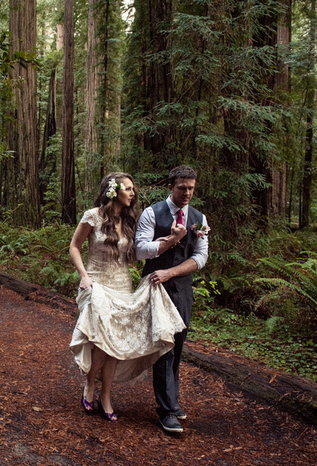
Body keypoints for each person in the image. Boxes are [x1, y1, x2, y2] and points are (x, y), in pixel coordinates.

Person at [69, 172, 186, 422]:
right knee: (101, 337)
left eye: (133, 189)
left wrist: (169, 241)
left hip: (122, 285)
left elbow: (136, 255)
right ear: (114, 192)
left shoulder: (129, 221)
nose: (133, 193)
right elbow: (74, 246)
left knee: (115, 341)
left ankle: (107, 395)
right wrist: (83, 276)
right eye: (128, 189)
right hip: (96, 281)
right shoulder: (92, 216)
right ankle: (91, 385)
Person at [135, 165, 209, 433]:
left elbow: (201, 257)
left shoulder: (199, 218)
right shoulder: (151, 213)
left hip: (183, 289)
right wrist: (169, 241)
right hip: (156, 290)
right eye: (182, 188)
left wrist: (172, 272)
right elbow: (141, 250)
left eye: (191, 188)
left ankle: (172, 400)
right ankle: (166, 410)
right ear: (170, 187)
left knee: (178, 346)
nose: (187, 192)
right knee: (164, 347)